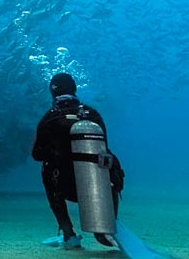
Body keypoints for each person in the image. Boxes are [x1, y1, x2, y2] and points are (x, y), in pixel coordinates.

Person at [32, 72, 124, 249]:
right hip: (97, 187)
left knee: (46, 169)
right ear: (74, 89)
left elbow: (37, 155)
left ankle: (69, 234)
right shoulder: (93, 114)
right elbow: (104, 148)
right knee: (108, 161)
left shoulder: (49, 118)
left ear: (52, 93)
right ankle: (106, 225)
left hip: (64, 187)